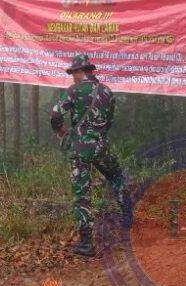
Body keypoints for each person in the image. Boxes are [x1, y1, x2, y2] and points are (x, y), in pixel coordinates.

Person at [50, 54, 130, 257]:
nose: (72, 77)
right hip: (101, 147)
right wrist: (98, 136)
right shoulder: (107, 91)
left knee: (82, 194)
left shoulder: (74, 90)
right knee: (116, 176)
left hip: (80, 150)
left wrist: (60, 131)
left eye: (73, 73)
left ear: (81, 71)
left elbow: (56, 114)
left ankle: (86, 243)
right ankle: (128, 217)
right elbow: (109, 121)